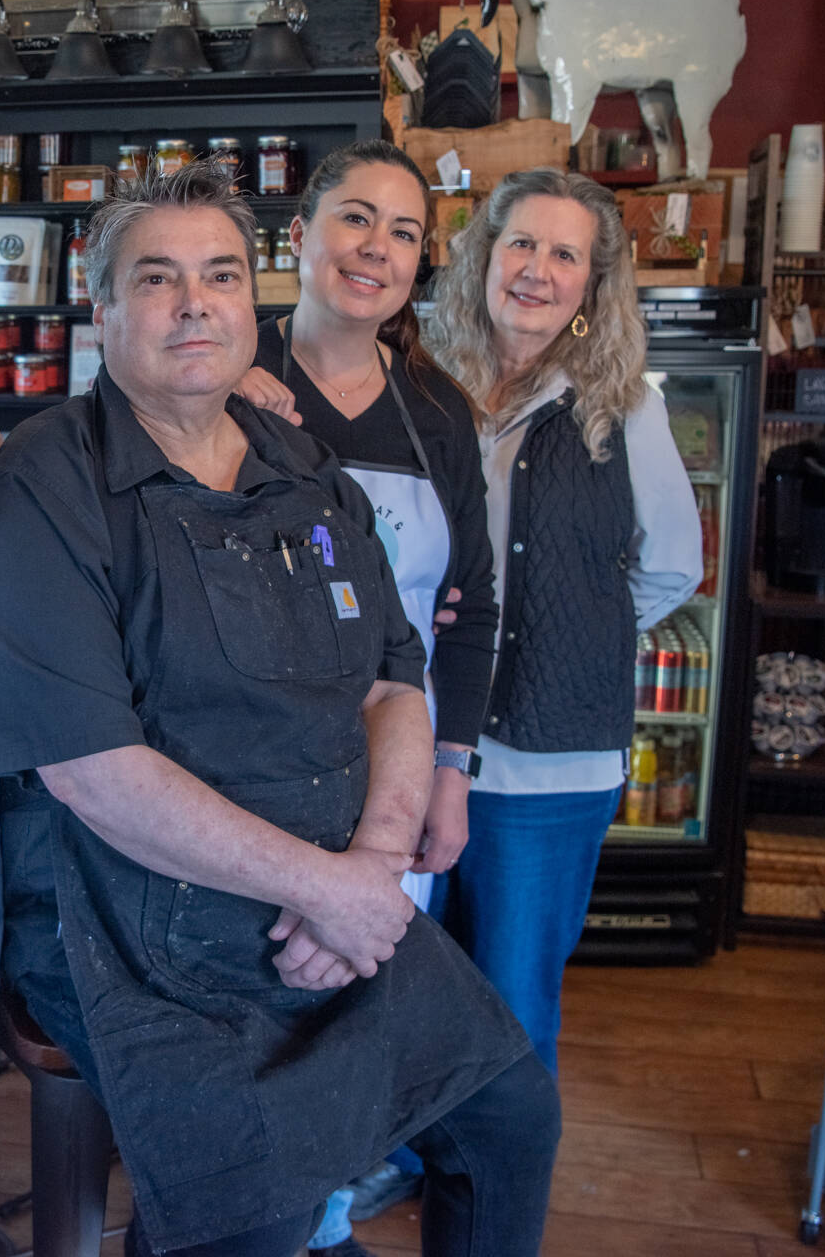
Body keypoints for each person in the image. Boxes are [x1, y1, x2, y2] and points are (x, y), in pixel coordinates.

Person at [0, 162, 558, 1257]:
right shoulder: (50, 477)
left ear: (255, 300)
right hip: (136, 923)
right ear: (101, 312)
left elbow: (393, 675)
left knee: (510, 1118)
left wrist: (373, 864)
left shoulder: (301, 462)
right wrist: (324, 888)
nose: (193, 303)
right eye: (156, 278)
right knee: (256, 1207)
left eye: (220, 275)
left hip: (332, 886)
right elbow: (91, 767)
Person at [235, 141, 497, 1256]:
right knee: (258, 1008)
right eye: (354, 218)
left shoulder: (436, 409)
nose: (374, 248)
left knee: (358, 1011)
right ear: (297, 235)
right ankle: (253, 1210)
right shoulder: (226, 375)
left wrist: (451, 769)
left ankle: (326, 1210)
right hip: (250, 763)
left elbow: (473, 603)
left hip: (395, 766)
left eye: (401, 232)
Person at [424, 167, 701, 1076]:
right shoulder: (424, 383)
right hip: (416, 740)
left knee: (510, 996)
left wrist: (572, 626)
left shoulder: (626, 408)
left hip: (548, 765)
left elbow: (673, 565)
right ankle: (410, 1156)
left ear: (591, 284)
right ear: (484, 258)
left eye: (564, 253)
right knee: (409, 976)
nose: (537, 269)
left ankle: (492, 1187)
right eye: (522, 244)